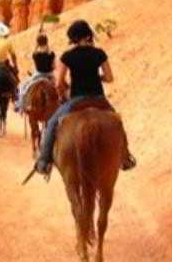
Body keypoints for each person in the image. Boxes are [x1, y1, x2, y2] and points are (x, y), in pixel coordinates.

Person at [34, 19, 135, 174]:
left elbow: (59, 82)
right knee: (117, 122)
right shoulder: (99, 53)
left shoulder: (67, 56)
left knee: (53, 123)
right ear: (88, 36)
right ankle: (125, 157)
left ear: (72, 38)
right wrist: (97, 77)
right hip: (99, 99)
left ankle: (44, 161)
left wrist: (63, 93)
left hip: (76, 100)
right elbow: (109, 78)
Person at [15, 33, 55, 112]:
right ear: (47, 42)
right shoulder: (51, 54)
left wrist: (36, 45)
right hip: (50, 75)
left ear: (37, 42)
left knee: (23, 87)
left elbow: (35, 51)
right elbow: (53, 66)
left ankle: (20, 106)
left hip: (38, 75)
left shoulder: (35, 54)